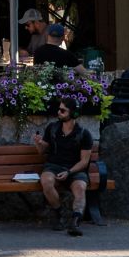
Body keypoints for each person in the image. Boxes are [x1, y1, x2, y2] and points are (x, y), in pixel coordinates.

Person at [36, 94, 95, 236]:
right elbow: (42, 150)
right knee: (46, 182)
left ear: (73, 114)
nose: (59, 112)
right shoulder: (53, 128)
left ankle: (75, 222)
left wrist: (69, 172)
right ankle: (59, 212)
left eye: (63, 111)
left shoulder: (84, 134)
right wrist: (38, 143)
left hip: (75, 169)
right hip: (53, 166)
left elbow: (84, 162)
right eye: (59, 109)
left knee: (80, 188)